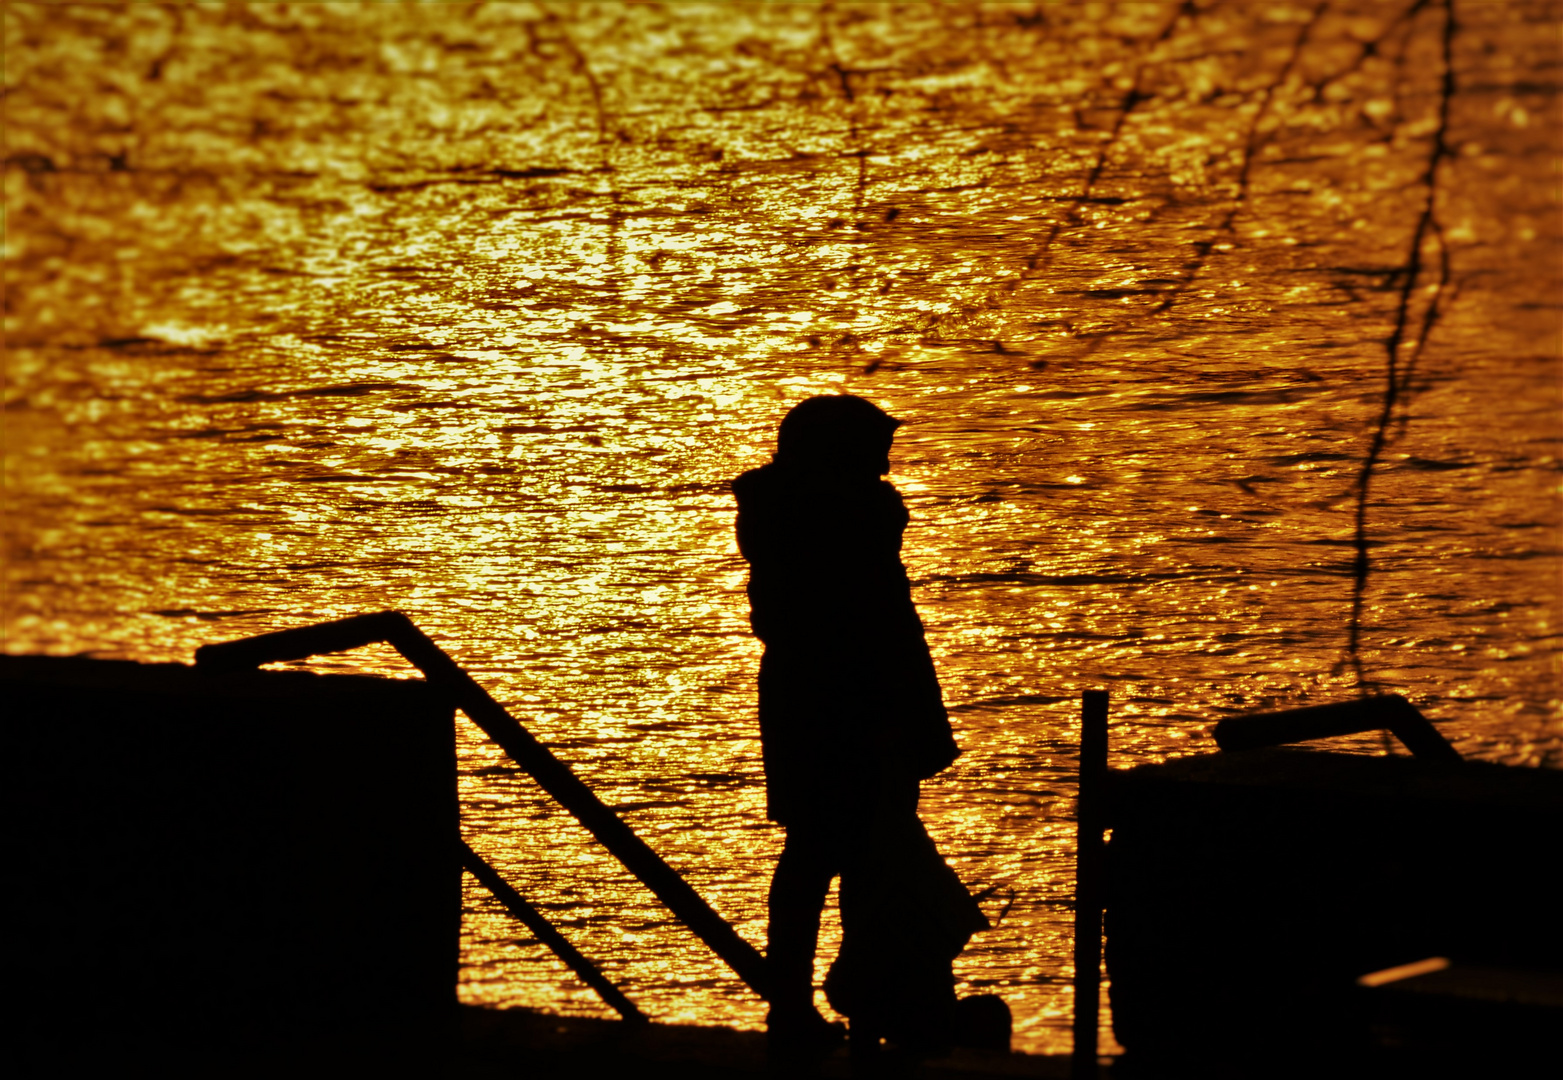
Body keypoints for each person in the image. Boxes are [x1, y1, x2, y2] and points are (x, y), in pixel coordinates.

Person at [732, 395, 986, 1055]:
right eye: (873, 446)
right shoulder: (849, 516)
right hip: (855, 702)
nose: (886, 460)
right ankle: (859, 999)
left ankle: (828, 999)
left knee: (824, 853)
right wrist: (903, 722)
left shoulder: (798, 513)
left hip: (808, 697)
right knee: (842, 850)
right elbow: (879, 628)